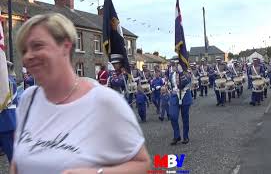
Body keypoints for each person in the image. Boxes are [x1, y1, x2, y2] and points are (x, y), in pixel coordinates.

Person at [12, 13, 150, 174]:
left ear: (66, 46)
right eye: (24, 50)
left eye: (37, 46)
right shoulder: (28, 99)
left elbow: (143, 165)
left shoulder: (104, 102)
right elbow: (18, 160)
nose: (28, 56)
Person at [169, 64, 192, 145]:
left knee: (185, 117)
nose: (174, 66)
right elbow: (171, 85)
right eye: (174, 65)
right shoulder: (171, 74)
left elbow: (186, 82)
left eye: (176, 65)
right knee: (172, 115)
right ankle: (177, 135)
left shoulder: (187, 73)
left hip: (185, 96)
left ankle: (185, 136)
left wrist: (181, 72)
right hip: (175, 97)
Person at [0, 61, 18, 163]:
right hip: (8, 121)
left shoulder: (8, 83)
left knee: (12, 156)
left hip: (6, 122)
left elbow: (13, 101)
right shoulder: (11, 80)